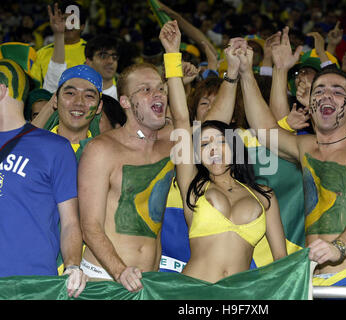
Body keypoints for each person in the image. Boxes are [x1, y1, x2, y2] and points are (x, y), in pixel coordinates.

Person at [237, 28, 346, 286]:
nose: (326, 95)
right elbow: (265, 130)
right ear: (311, 105)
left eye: (337, 91)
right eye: (318, 91)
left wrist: (338, 248)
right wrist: (245, 72)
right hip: (310, 278)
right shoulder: (307, 147)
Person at [161, 20, 287, 283]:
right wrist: (172, 54)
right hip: (192, 293)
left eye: (220, 142)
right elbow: (182, 120)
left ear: (235, 147)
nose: (213, 150)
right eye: (204, 145)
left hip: (241, 298)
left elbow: (281, 264)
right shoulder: (192, 186)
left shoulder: (265, 197)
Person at [78, 60, 174, 291]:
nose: (157, 94)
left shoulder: (170, 144)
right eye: (145, 89)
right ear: (125, 102)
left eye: (161, 88)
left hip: (148, 280)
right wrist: (120, 272)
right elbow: (90, 226)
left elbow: (210, 122)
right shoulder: (101, 150)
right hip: (104, 279)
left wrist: (173, 58)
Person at [0, 58, 87, 298]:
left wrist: (72, 265)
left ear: (1, 90)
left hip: (33, 285)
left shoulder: (55, 148)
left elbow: (70, 221)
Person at [30, 1, 87, 86]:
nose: (68, 25)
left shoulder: (92, 53)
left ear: (82, 26)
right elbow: (35, 89)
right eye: (64, 19)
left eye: (72, 20)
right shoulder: (41, 54)